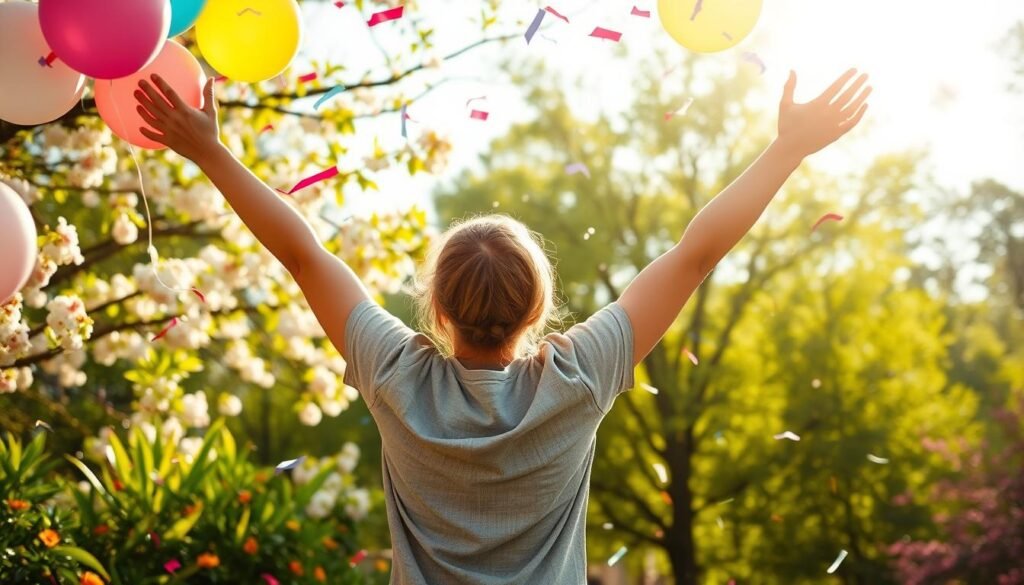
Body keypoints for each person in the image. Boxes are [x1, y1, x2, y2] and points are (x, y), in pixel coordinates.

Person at [134, 67, 870, 584]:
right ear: (538, 308)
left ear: (441, 308)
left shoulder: (397, 376)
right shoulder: (578, 379)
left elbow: (302, 255)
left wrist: (207, 150)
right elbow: (696, 253)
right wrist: (787, 149)